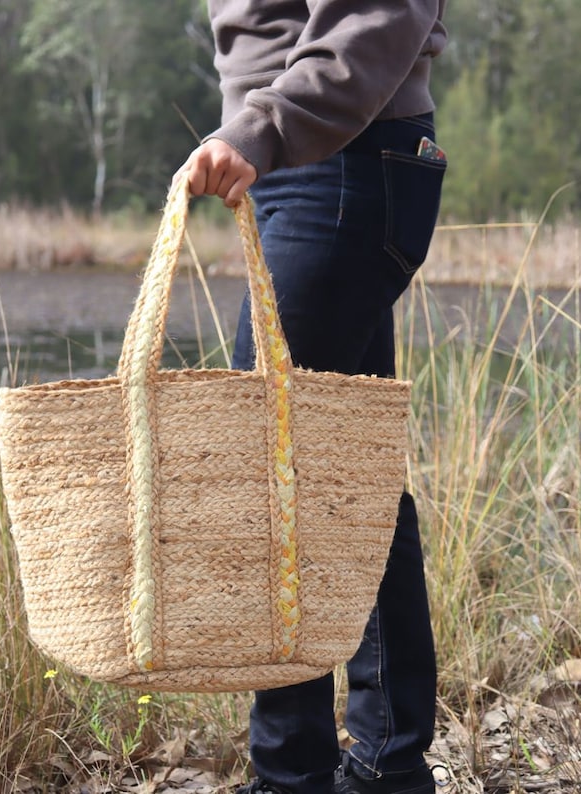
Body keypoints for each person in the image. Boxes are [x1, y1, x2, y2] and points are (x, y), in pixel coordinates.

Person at [179, 3, 448, 794]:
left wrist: (260, 127)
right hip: (314, 165)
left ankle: (293, 774)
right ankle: (386, 763)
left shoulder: (293, 133)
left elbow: (382, 14)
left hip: (338, 159)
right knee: (344, 479)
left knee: (266, 474)